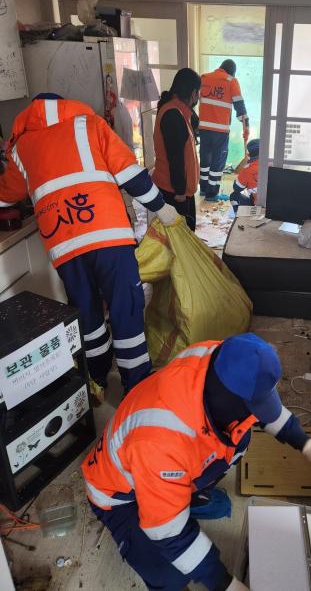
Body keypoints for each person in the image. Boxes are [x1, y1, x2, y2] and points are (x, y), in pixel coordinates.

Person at [81, 332, 311, 591]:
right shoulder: (161, 440)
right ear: (227, 399)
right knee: (170, 572)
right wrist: (226, 584)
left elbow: (265, 409)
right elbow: (166, 532)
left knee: (239, 437)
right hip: (118, 495)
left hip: (158, 465)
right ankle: (168, 507)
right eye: (252, 405)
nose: (260, 413)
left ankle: (180, 498)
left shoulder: (223, 358)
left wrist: (307, 445)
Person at [0, 93, 179, 398]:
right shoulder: (89, 125)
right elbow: (130, 175)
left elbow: (6, 195)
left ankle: (96, 377)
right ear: (65, 105)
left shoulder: (21, 147)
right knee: (126, 306)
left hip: (64, 246)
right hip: (109, 236)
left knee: (85, 310)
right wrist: (161, 207)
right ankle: (136, 386)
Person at [152, 68, 201, 231]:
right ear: (193, 93)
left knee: (183, 236)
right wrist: (180, 193)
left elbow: (194, 122)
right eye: (198, 93)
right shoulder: (173, 115)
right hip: (174, 192)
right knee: (181, 238)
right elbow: (176, 158)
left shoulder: (178, 110)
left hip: (180, 189)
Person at [199, 59, 249, 202]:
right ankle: (212, 194)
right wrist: (246, 126)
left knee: (205, 160)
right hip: (220, 131)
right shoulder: (231, 81)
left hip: (204, 129)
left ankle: (203, 189)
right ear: (232, 72)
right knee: (217, 162)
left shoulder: (204, 78)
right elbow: (240, 108)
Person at [229, 138, 260, 213]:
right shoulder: (272, 164)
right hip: (274, 208)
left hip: (257, 208)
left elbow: (237, 188)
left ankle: (238, 216)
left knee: (234, 196)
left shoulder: (248, 169)